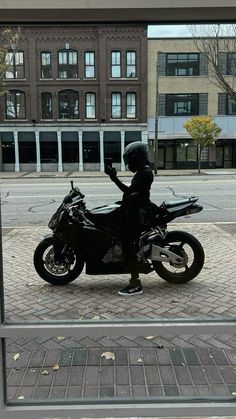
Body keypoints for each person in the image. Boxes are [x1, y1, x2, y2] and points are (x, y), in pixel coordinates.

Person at [105, 141, 154, 296]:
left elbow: (130, 192)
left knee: (127, 243)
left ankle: (135, 283)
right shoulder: (142, 171)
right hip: (136, 209)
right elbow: (131, 193)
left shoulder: (144, 173)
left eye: (129, 161)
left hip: (138, 214)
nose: (127, 165)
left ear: (136, 158)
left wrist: (114, 178)